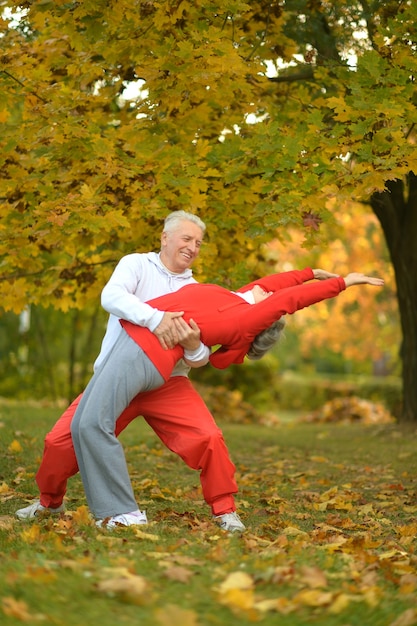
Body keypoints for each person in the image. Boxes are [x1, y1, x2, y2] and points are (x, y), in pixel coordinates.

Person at [70, 269, 384, 528]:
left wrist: (344, 283)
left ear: (263, 317)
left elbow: (289, 298)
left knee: (93, 425)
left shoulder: (246, 319)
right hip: (138, 345)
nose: (266, 291)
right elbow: (276, 285)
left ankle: (125, 513)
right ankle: (104, 509)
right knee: (82, 425)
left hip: (145, 352)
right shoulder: (235, 299)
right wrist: (311, 272)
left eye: (268, 301)